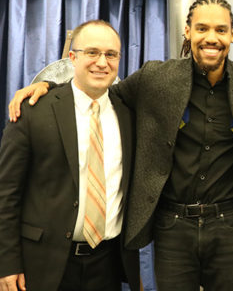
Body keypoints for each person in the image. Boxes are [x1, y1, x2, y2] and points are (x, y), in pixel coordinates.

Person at [8, 0, 233, 291]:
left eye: (221, 30)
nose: (211, 38)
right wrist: (51, 87)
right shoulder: (155, 79)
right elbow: (104, 92)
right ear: (187, 31)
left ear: (232, 35)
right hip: (172, 226)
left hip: (232, 225)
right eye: (202, 28)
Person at [0, 20, 140, 291]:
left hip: (108, 264)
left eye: (111, 55)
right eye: (92, 52)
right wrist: (6, 263)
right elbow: (6, 194)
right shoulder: (33, 112)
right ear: (72, 58)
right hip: (42, 265)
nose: (102, 62)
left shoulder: (131, 114)